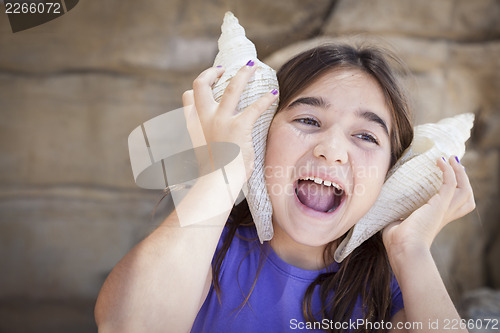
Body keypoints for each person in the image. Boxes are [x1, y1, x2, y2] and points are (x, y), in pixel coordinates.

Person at [94, 43, 476, 333]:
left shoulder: (392, 287)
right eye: (308, 119)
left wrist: (411, 250)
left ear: (388, 177)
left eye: (365, 136)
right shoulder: (207, 249)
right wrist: (219, 171)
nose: (331, 151)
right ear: (261, 141)